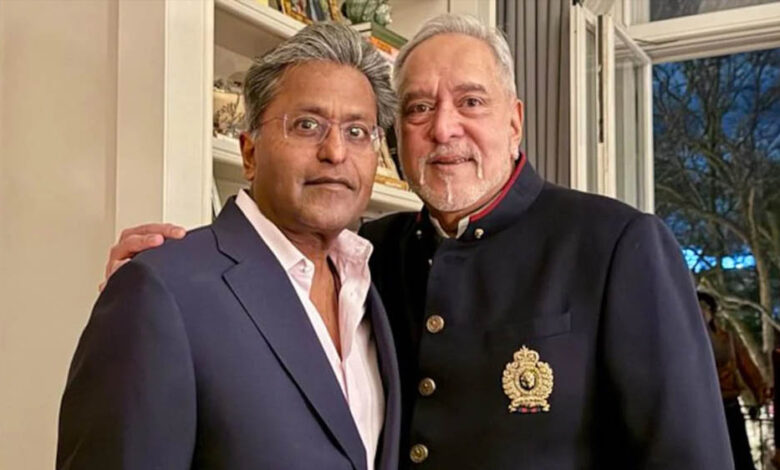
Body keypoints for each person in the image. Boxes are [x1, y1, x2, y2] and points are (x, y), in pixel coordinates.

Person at [104, 14, 733, 469]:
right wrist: (162, 287)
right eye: (417, 109)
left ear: (515, 121)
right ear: (396, 140)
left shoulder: (616, 244)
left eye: (471, 101)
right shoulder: (367, 256)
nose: (443, 128)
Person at [57, 23, 400, 470]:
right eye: (307, 125)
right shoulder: (160, 289)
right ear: (249, 153)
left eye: (357, 132)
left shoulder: (374, 288)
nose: (335, 151)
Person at [698, 291, 769, 470]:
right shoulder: (686, 341)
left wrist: (760, 396)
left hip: (728, 404)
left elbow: (748, 368)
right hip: (701, 408)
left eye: (705, 307)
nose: (701, 312)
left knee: (739, 455)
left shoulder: (727, 339)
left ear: (712, 312)